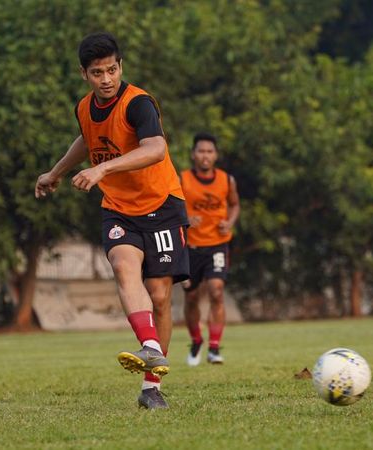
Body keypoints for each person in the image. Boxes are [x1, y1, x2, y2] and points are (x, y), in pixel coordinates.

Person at [35, 32, 188, 410]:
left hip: (161, 203)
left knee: (161, 296)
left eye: (112, 70)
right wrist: (54, 172)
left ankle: (152, 385)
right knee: (123, 265)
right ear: (84, 73)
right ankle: (150, 347)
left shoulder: (138, 104)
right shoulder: (84, 107)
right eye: (97, 72)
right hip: (119, 206)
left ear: (121, 66)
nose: (106, 79)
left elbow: (156, 149)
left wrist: (102, 169)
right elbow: (87, 140)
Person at [180, 132, 240, 366]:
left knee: (216, 290)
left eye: (210, 151)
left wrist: (230, 222)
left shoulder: (227, 180)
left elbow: (235, 205)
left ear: (215, 155)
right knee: (192, 296)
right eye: (201, 151)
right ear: (193, 154)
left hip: (217, 244)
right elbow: (169, 206)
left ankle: (214, 347)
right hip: (191, 247)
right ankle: (196, 341)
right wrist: (184, 218)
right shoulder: (182, 179)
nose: (205, 155)